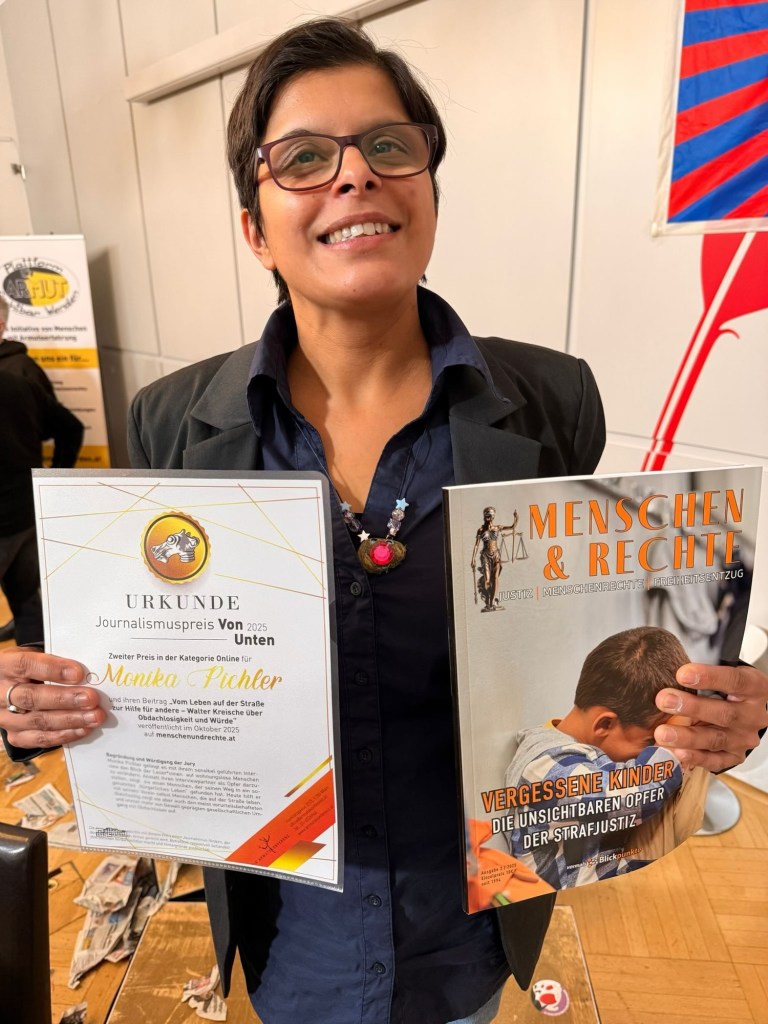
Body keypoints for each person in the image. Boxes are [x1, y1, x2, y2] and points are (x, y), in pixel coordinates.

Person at [0, 18, 766, 1024]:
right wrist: (44, 704)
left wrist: (722, 713)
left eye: (389, 146)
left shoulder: (552, 401)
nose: (355, 174)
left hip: (469, 923)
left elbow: (581, 632)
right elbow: (133, 652)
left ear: (429, 194)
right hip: (290, 933)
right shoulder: (172, 422)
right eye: (303, 158)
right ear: (254, 227)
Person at [502, 627, 708, 890]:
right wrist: (674, 740)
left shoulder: (568, 747)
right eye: (650, 742)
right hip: (582, 895)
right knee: (692, 764)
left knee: (695, 755)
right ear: (604, 724)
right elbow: (635, 795)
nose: (649, 751)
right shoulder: (546, 768)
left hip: (608, 868)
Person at [0, 371, 83, 649]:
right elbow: (71, 427)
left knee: (28, 604)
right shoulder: (18, 382)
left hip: (18, 517)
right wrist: (54, 480)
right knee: (28, 605)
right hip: (27, 510)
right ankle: (37, 670)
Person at [470, 507, 519, 611]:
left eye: (490, 516)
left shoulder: (497, 528)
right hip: (485, 556)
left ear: (492, 517)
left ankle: (492, 603)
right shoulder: (481, 530)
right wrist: (473, 559)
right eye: (486, 515)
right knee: (487, 580)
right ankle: (488, 600)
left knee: (495, 578)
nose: (487, 518)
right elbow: (476, 545)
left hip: (496, 555)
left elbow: (512, 526)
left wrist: (516, 518)